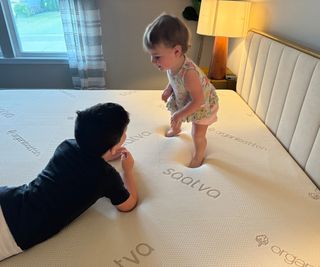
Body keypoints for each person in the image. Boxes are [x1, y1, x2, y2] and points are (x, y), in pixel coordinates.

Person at [0, 102, 138, 261]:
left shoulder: (66, 145)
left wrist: (108, 153)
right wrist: (127, 171)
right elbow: (128, 205)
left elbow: (84, 158)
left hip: (9, 199)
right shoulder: (107, 176)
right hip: (16, 232)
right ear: (113, 147)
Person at [143, 13, 219, 168]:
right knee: (175, 115)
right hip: (186, 98)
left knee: (197, 133)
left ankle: (198, 155)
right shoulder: (171, 64)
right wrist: (168, 89)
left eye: (156, 56)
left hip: (202, 105)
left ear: (176, 52)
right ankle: (176, 128)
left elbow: (198, 101)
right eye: (151, 56)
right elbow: (173, 79)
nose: (152, 61)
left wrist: (181, 113)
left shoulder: (189, 74)